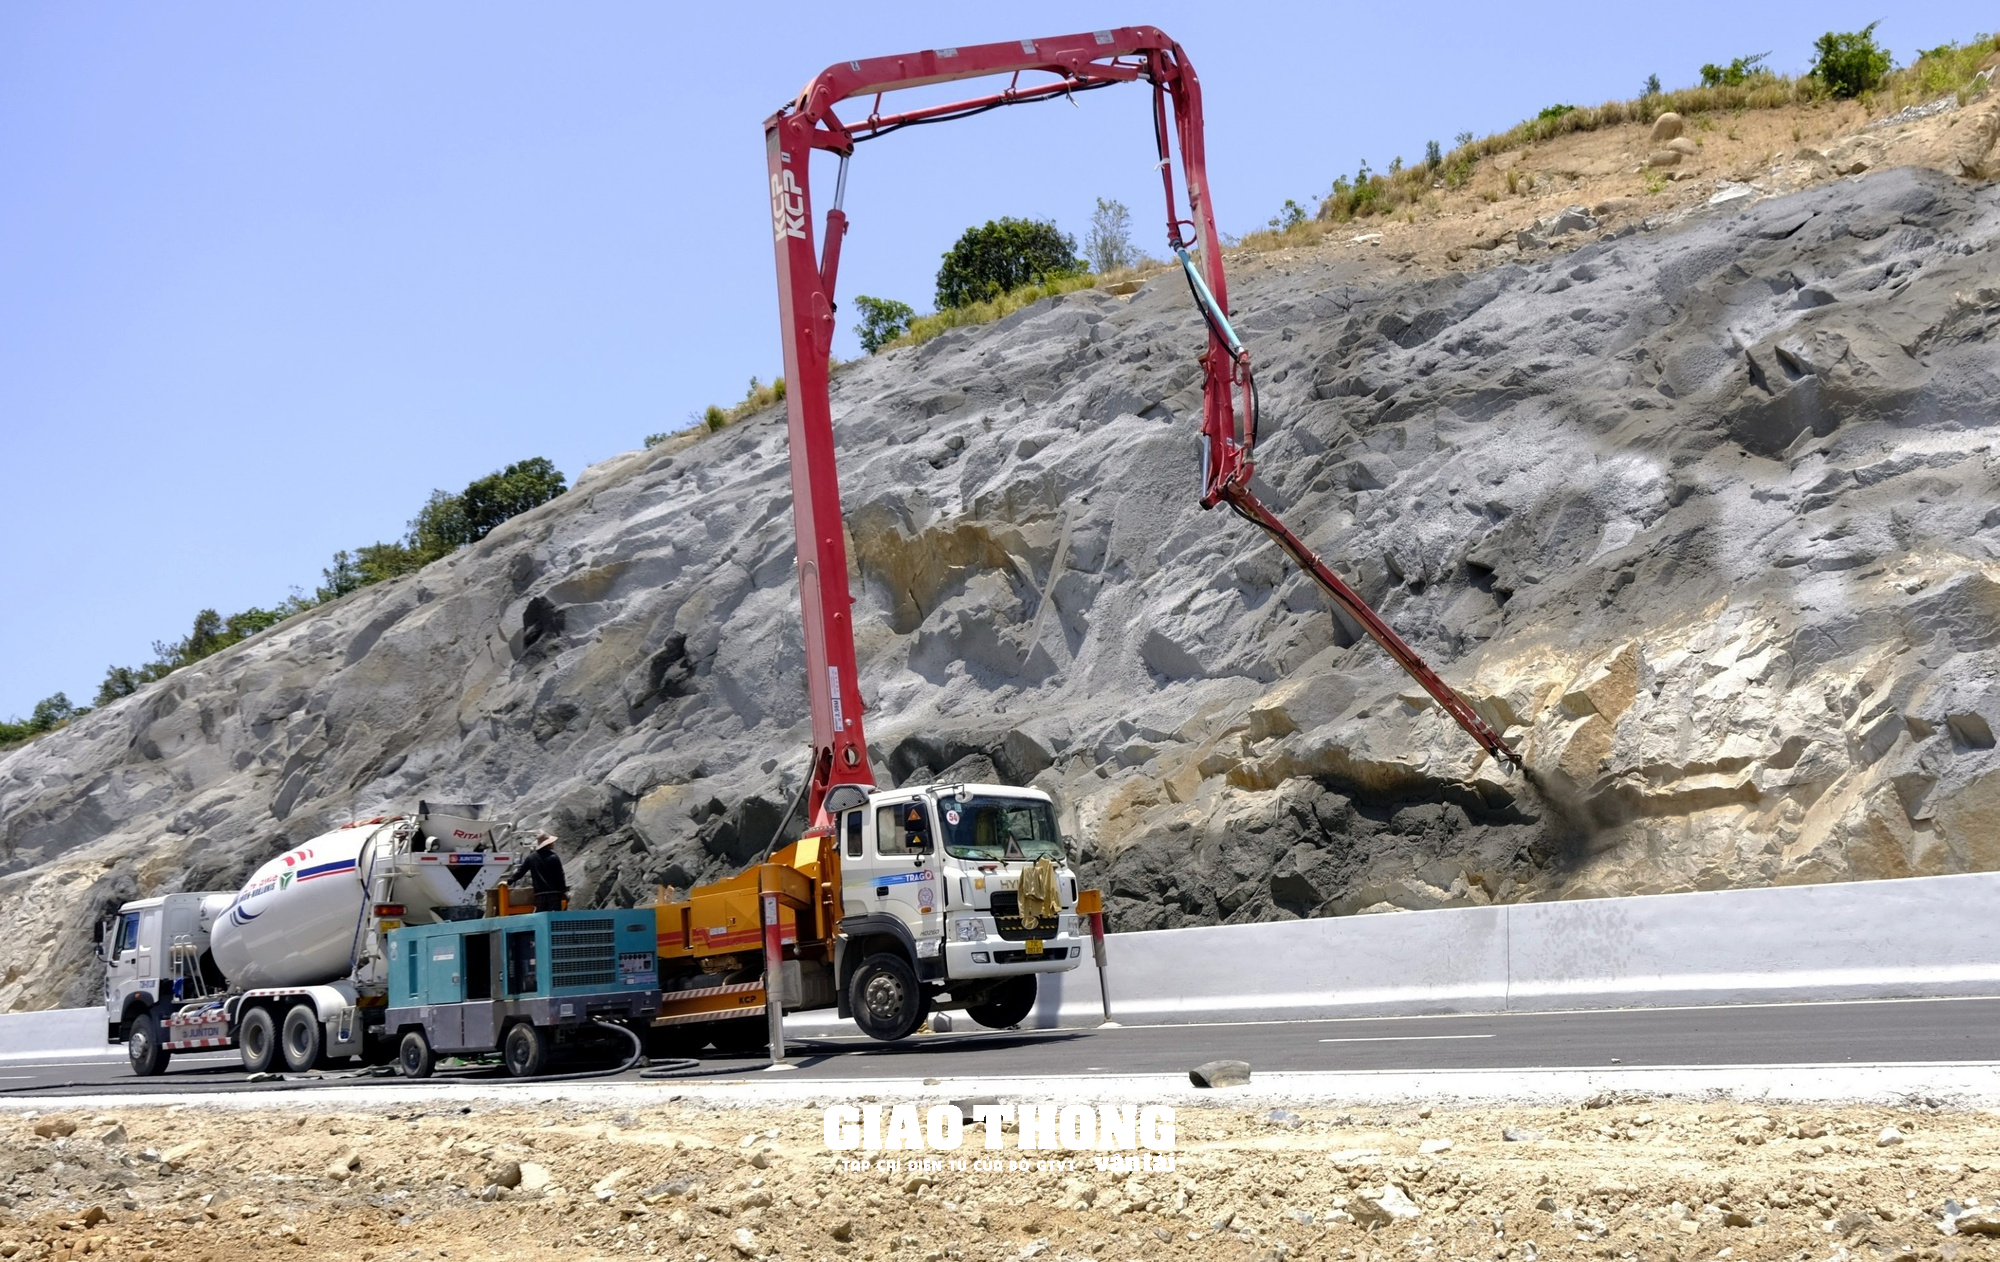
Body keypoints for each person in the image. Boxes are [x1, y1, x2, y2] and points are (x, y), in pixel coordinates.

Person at [508, 831, 568, 912]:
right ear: (548, 844)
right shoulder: (553, 857)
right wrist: (563, 890)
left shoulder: (531, 858)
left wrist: (510, 881)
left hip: (539, 895)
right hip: (554, 895)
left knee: (541, 918)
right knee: (554, 919)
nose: (553, 844)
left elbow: (520, 872)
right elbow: (560, 875)